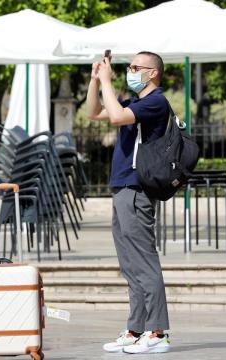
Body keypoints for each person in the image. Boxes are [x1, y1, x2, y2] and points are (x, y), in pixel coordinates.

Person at [86, 51, 171, 354]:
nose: (130, 71)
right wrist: (96, 81)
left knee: (144, 262)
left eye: (136, 67)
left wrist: (108, 81)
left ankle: (158, 331)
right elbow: (94, 112)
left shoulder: (156, 102)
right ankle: (136, 329)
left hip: (137, 190)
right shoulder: (136, 103)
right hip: (122, 188)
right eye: (129, 67)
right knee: (130, 265)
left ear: (152, 74)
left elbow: (118, 117)